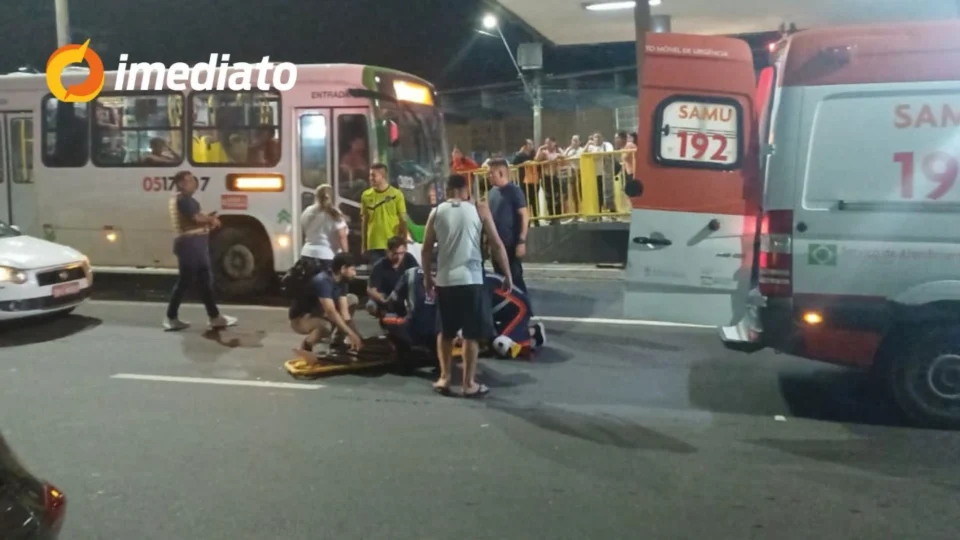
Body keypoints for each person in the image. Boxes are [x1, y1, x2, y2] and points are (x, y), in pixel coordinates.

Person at [422, 174, 513, 398]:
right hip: (471, 279)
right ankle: (468, 384)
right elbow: (497, 243)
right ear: (466, 189)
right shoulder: (480, 209)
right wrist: (507, 274)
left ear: (448, 190)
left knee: (445, 331)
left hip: (445, 280)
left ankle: (444, 378)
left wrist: (427, 278)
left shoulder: (436, 212)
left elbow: (425, 249)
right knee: (471, 335)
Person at [163, 171, 237, 331]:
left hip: (195, 245)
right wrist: (211, 219)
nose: (194, 183)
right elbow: (196, 218)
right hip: (190, 246)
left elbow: (195, 219)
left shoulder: (183, 199)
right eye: (189, 181)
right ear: (181, 184)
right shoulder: (184, 199)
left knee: (204, 282)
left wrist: (207, 222)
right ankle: (171, 317)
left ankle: (215, 317)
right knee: (185, 281)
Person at [289, 252, 364, 363]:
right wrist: (351, 334)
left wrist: (356, 336)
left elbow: (345, 313)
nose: (355, 273)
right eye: (353, 269)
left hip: (318, 312)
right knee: (326, 326)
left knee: (352, 299)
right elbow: (331, 312)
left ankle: (337, 342)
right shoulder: (322, 281)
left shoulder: (342, 282)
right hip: (301, 319)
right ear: (343, 269)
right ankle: (306, 346)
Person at [486, 158, 531, 296]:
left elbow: (524, 216)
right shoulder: (491, 193)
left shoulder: (514, 191)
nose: (488, 176)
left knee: (515, 279)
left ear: (501, 172)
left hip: (511, 245)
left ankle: (524, 309)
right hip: (496, 246)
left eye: (491, 173)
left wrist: (522, 241)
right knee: (500, 280)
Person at [485, 272, 546, 359]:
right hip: (501, 307)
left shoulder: (478, 283)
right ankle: (521, 332)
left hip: (520, 308)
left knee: (501, 345)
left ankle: (532, 331)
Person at [361, 163, 408, 264]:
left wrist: (404, 242)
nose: (370, 178)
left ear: (382, 176)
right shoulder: (366, 195)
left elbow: (402, 220)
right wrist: (364, 245)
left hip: (392, 244)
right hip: (373, 244)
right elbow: (365, 221)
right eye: (370, 175)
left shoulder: (396, 195)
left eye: (373, 175)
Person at [366, 235, 419, 317]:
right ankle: (384, 317)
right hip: (387, 297)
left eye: (402, 253)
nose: (399, 257)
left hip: (405, 296)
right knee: (371, 305)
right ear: (388, 251)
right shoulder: (379, 265)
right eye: (395, 254)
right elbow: (371, 289)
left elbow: (418, 276)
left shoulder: (409, 259)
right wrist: (383, 300)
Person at [300, 184, 348, 271]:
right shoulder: (335, 213)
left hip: (307, 255)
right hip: (326, 257)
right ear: (332, 197)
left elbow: (304, 229)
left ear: (316, 196)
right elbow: (342, 237)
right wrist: (346, 257)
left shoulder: (307, 211)